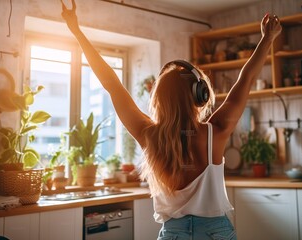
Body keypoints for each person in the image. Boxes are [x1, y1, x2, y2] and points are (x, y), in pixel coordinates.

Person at [60, 0, 282, 239]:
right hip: (216, 232)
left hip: (173, 233)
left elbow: (112, 84)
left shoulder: (149, 135)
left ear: (159, 99)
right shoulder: (214, 132)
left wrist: (77, 31)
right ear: (199, 96)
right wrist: (266, 39)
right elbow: (245, 79)